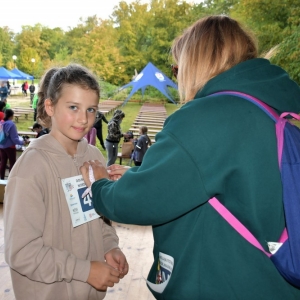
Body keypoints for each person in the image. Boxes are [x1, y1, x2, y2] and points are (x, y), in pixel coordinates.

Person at [80, 15, 300, 299]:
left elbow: (140, 202)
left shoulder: (207, 118)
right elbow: (220, 185)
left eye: (177, 67)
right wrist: (137, 176)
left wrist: (100, 187)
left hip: (222, 284)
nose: (178, 75)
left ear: (197, 62)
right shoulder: (272, 108)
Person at [4, 64, 128, 300]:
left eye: (91, 109)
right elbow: (21, 252)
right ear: (50, 106)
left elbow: (100, 219)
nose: (83, 119)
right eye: (73, 107)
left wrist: (110, 246)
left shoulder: (94, 157)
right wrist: (85, 270)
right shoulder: (31, 168)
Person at [0, 109, 28, 179]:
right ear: (12, 116)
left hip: (2, 145)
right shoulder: (11, 124)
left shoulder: (1, 122)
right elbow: (14, 138)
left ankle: (1, 178)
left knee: (3, 162)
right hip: (10, 147)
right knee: (12, 163)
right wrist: (22, 142)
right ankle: (11, 179)